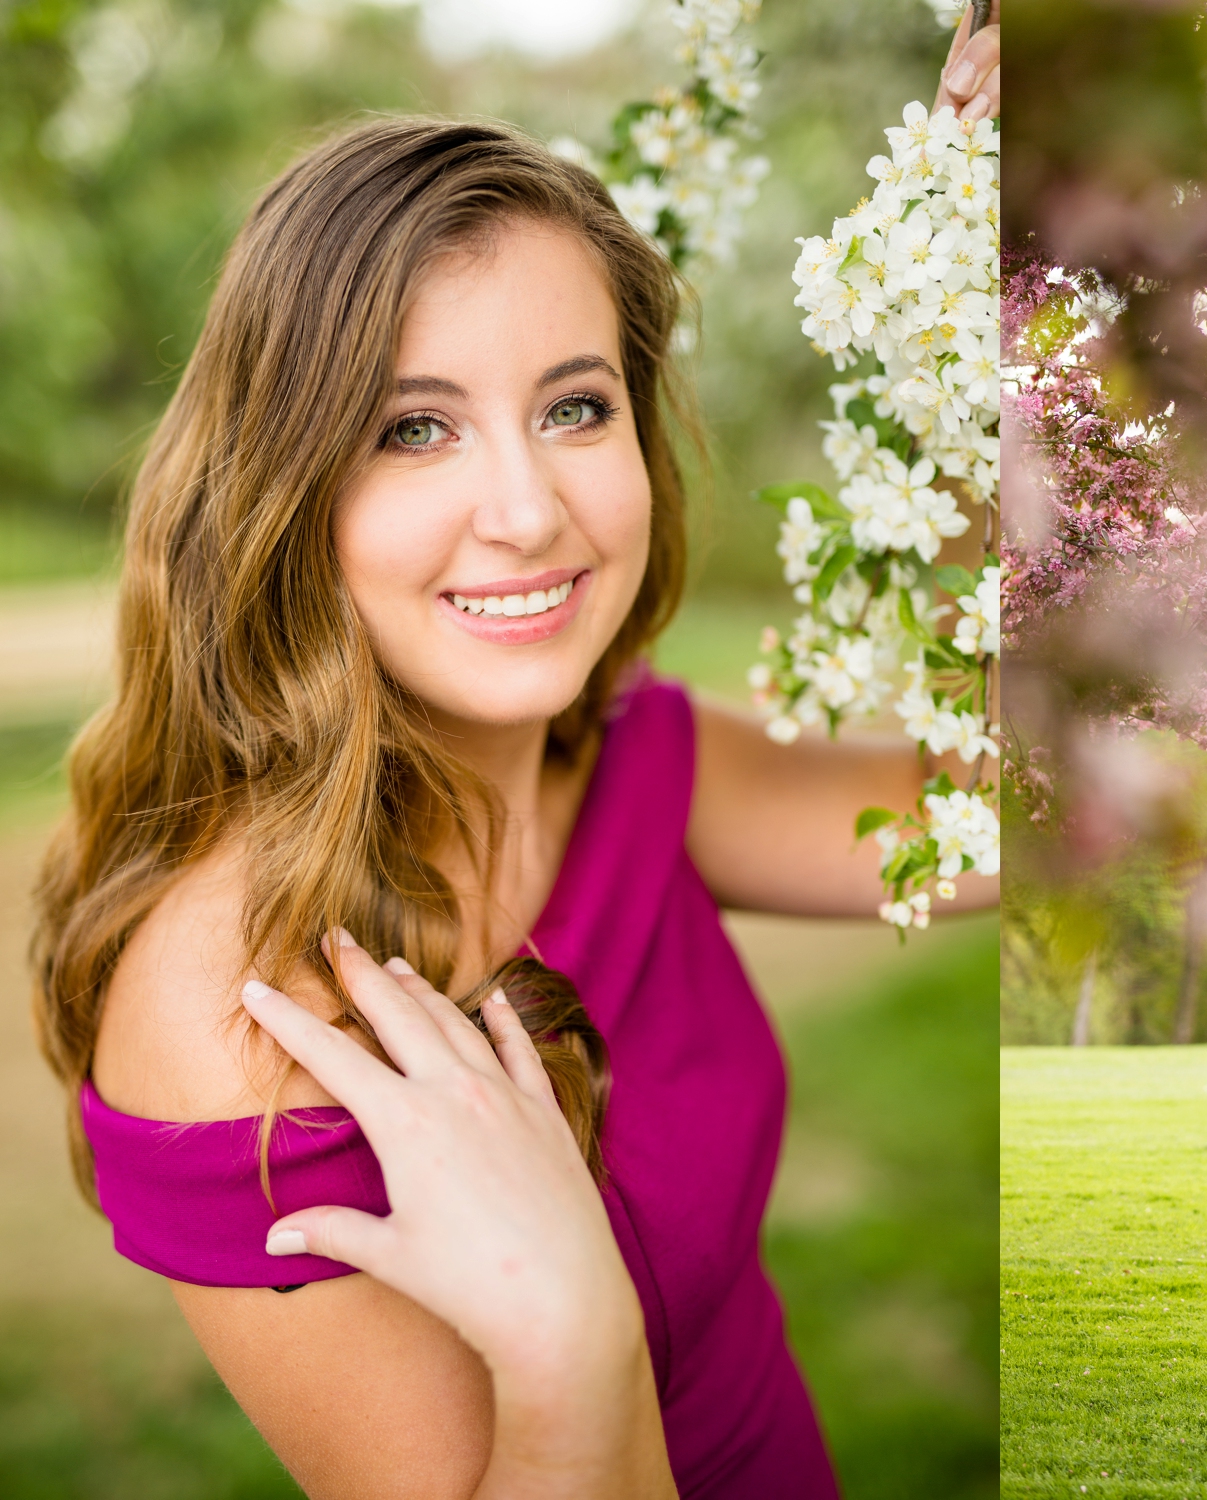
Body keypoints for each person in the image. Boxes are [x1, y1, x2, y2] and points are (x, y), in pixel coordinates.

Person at [30, 24, 1001, 1498]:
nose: (529, 510)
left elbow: (1023, 808)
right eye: (414, 429)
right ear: (285, 487)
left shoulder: (637, 772)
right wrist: (571, 1342)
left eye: (575, 407)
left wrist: (994, 312)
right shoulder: (230, 1015)